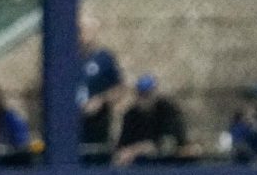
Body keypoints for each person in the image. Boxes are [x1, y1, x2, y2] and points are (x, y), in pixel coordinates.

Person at [113, 75, 188, 166]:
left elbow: (169, 144)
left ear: (155, 93)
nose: (144, 99)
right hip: (138, 164)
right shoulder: (131, 115)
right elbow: (123, 144)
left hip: (167, 163)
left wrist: (143, 148)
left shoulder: (167, 110)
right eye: (141, 94)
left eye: (148, 95)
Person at [77, 14, 124, 150]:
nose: (81, 35)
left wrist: (101, 99)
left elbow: (119, 88)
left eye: (84, 30)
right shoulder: (63, 59)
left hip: (96, 124)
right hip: (68, 124)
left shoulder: (104, 59)